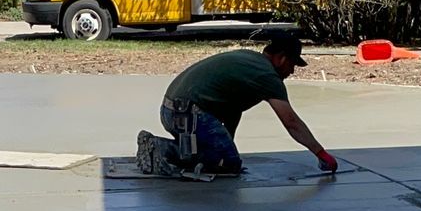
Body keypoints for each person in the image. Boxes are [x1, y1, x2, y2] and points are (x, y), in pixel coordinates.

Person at [137, 27, 337, 179]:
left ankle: (175, 150)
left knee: (221, 153)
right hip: (189, 114)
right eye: (292, 64)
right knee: (228, 164)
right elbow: (291, 122)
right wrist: (321, 153)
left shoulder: (249, 60)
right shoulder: (266, 76)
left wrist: (226, 143)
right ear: (281, 58)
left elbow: (232, 110)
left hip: (172, 111)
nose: (292, 71)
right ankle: (163, 149)